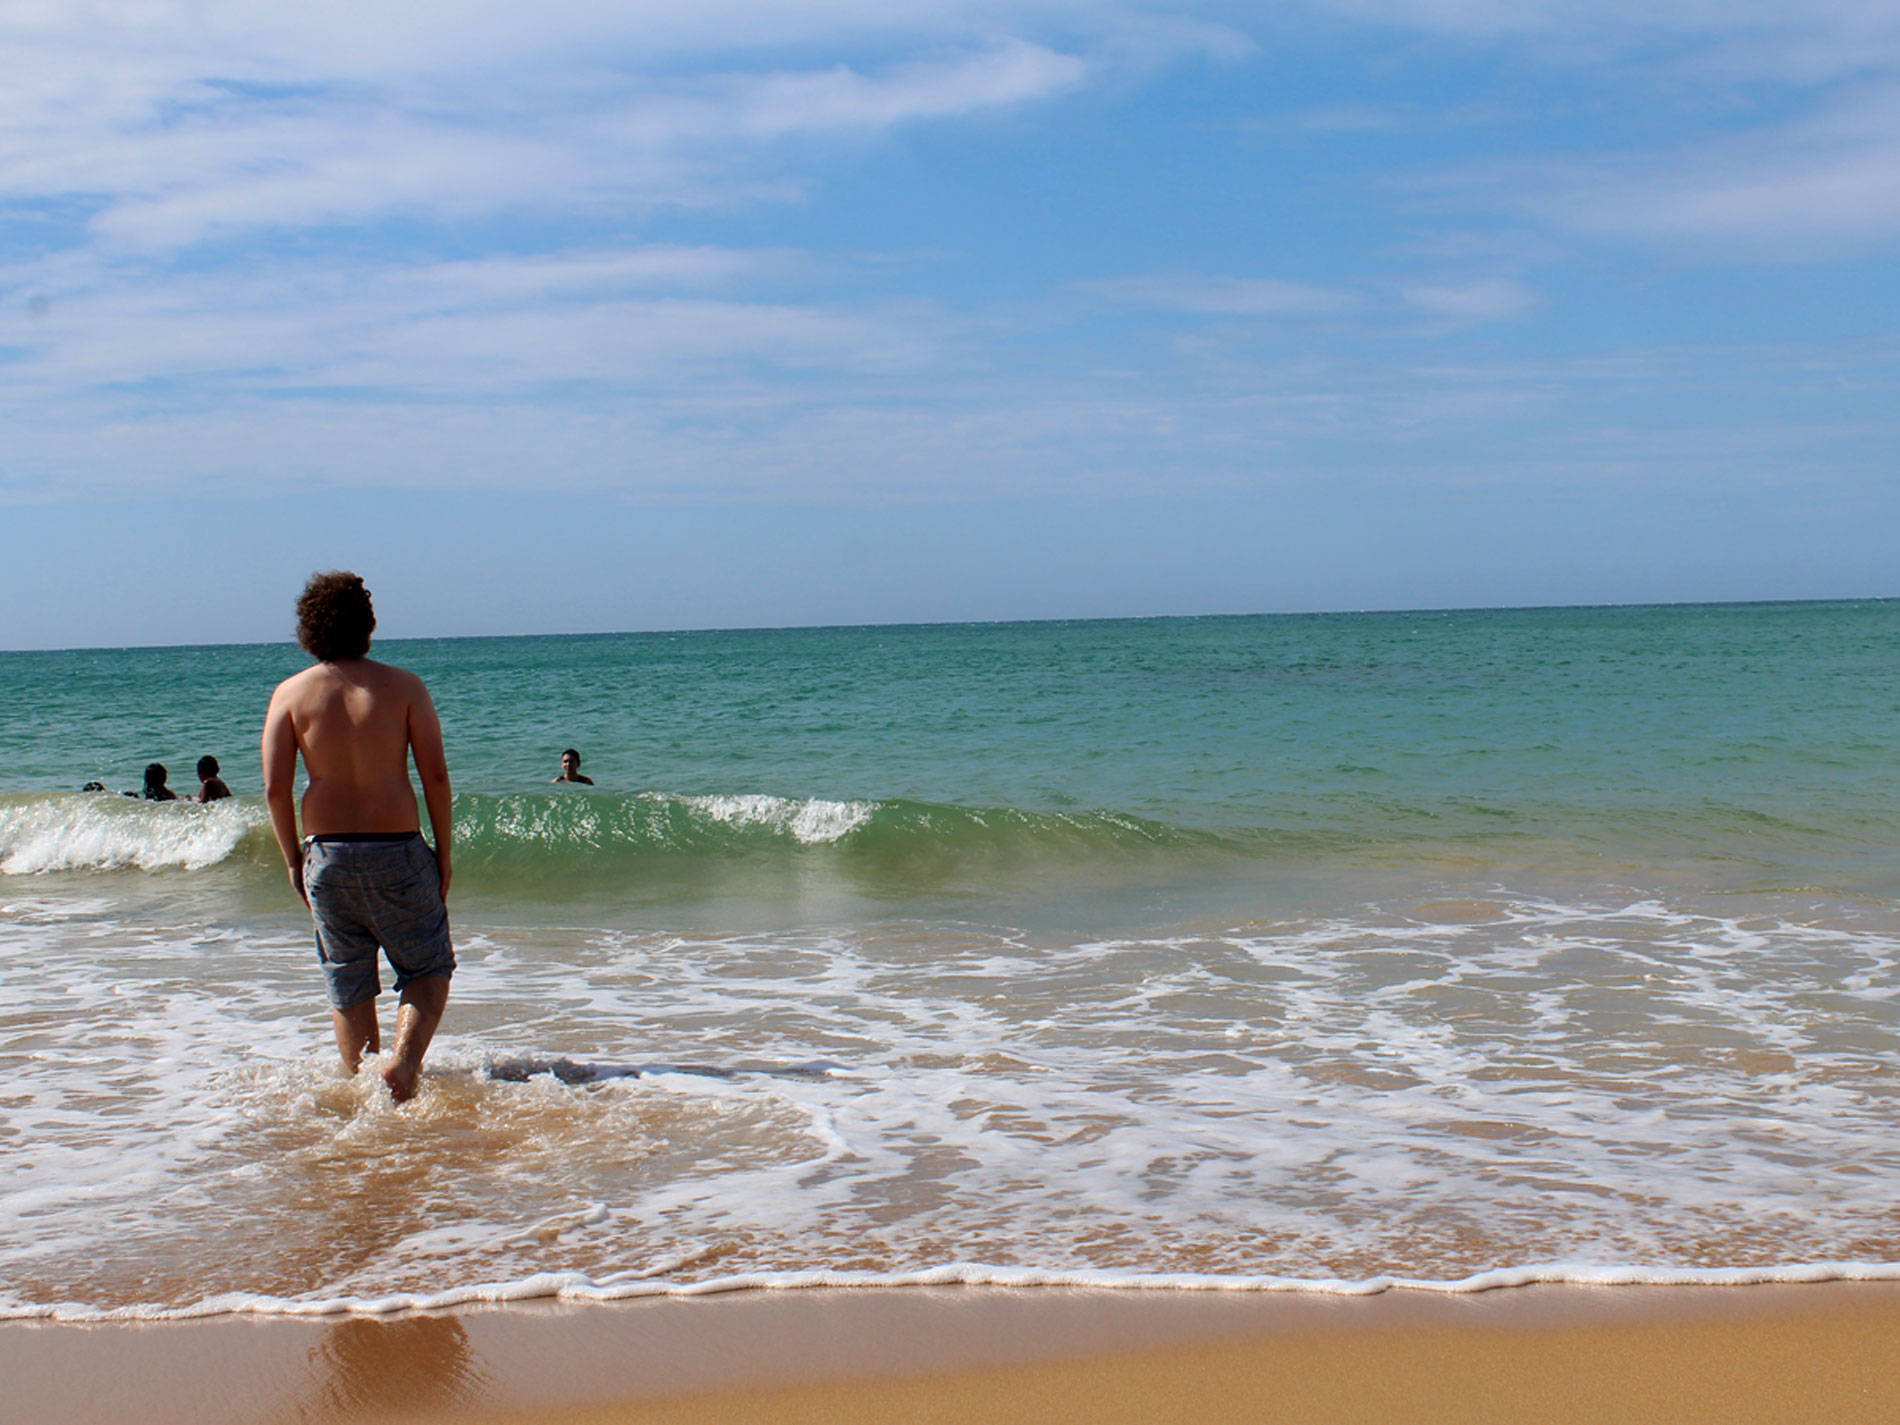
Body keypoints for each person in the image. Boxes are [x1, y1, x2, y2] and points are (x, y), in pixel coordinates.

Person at [262, 571, 455, 1103]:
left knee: (349, 981)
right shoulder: (404, 686)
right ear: (368, 624)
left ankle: (371, 1094)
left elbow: (276, 790)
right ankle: (404, 1064)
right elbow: (435, 776)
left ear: (309, 628)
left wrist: (291, 861)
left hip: (326, 853)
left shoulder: (291, 694)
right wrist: (444, 853)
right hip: (397, 848)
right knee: (428, 966)